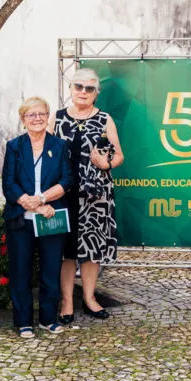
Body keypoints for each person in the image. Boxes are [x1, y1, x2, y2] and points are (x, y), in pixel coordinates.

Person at [53, 69, 124, 324]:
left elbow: (119, 156)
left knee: (92, 248)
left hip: (96, 195)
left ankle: (90, 299)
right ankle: (68, 302)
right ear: (70, 89)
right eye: (78, 86)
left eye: (89, 88)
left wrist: (106, 165)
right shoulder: (57, 118)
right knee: (66, 251)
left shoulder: (105, 119)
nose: (83, 91)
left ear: (96, 93)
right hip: (62, 194)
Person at [2, 97, 74, 338]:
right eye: (31, 115)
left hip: (51, 216)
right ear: (23, 120)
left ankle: (47, 319)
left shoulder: (59, 145)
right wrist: (31, 204)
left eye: (42, 113)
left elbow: (67, 180)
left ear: (47, 116)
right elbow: (8, 183)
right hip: (21, 218)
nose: (37, 118)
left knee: (50, 270)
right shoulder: (14, 146)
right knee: (20, 271)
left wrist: (42, 200)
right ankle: (23, 322)